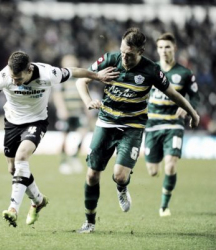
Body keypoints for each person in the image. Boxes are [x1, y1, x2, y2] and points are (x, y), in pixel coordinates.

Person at [0, 51, 119, 227]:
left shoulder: (48, 73)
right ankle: (38, 200)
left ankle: (13, 208)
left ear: (29, 70)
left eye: (18, 78)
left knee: (21, 158)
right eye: (12, 77)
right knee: (13, 169)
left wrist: (96, 76)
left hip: (36, 122)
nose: (14, 82)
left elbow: (73, 71)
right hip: (12, 123)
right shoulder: (4, 76)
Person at [75, 28, 199, 233]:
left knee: (120, 176)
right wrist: (89, 100)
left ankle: (122, 187)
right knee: (91, 175)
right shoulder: (110, 59)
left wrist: (192, 113)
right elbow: (82, 81)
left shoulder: (151, 70)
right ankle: (89, 222)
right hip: (106, 122)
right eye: (123, 51)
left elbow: (173, 94)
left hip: (132, 126)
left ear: (141, 51)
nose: (124, 57)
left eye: (130, 54)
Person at [144, 33, 200, 217]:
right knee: (153, 171)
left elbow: (195, 97)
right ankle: (157, 166)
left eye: (167, 47)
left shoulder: (185, 73)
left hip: (173, 125)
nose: (163, 51)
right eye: (160, 47)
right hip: (152, 125)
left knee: (170, 165)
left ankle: (164, 206)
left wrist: (187, 109)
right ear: (157, 49)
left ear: (174, 48)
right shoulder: (150, 70)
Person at [53, 54, 89, 175]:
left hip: (78, 112)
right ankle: (63, 162)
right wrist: (62, 109)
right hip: (66, 113)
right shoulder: (61, 79)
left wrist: (87, 108)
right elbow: (57, 95)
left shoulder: (80, 79)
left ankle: (74, 156)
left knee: (83, 133)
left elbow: (84, 94)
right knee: (64, 136)